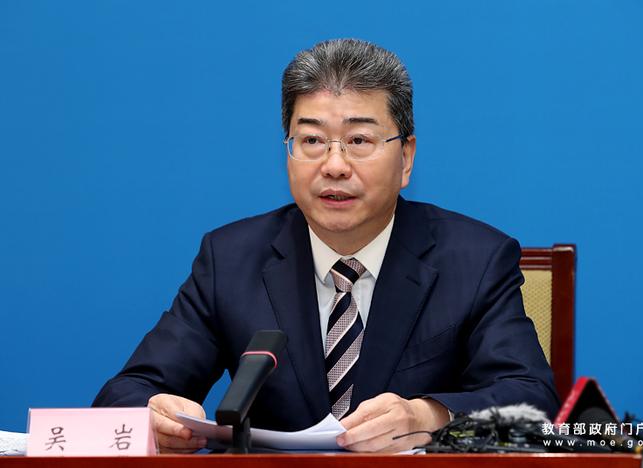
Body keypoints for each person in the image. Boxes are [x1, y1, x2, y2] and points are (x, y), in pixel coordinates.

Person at [93, 38, 559, 453]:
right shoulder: (230, 259)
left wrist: (429, 417)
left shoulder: (475, 259)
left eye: (359, 140)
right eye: (312, 140)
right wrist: (155, 416)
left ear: (406, 158)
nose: (334, 165)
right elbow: (125, 395)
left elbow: (534, 404)